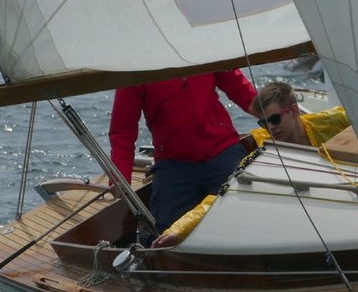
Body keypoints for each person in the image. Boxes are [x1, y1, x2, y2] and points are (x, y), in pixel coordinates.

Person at [108, 70, 258, 240]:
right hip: (174, 165)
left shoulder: (202, 49)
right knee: (162, 238)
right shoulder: (136, 69)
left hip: (223, 151)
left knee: (247, 218)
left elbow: (240, 88)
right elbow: (122, 131)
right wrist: (119, 175)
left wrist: (271, 115)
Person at [251, 80, 352, 148]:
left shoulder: (334, 122)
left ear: (294, 111)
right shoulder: (263, 148)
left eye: (275, 119)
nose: (270, 127)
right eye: (264, 123)